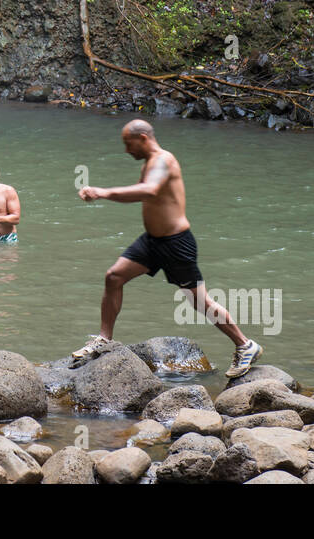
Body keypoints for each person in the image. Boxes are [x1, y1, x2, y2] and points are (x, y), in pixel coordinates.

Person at [75, 120, 262, 378]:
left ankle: (245, 345)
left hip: (176, 243)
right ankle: (104, 339)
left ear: (142, 138)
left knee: (199, 301)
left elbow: (149, 190)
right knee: (114, 276)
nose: (126, 150)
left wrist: (102, 192)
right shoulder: (150, 162)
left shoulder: (163, 160)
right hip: (152, 242)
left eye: (128, 144)